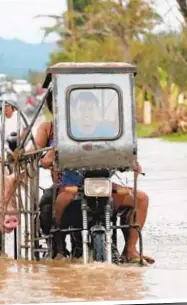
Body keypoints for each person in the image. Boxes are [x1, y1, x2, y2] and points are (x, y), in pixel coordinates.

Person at [35, 90, 154, 263]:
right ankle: (57, 236)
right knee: (61, 200)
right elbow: (48, 155)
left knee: (141, 198)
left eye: (91, 109)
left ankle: (130, 250)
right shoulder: (65, 132)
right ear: (74, 111)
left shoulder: (108, 131)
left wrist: (131, 162)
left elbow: (121, 151)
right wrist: (49, 157)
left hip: (103, 184)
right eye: (83, 109)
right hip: (72, 185)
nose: (87, 113)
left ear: (97, 111)